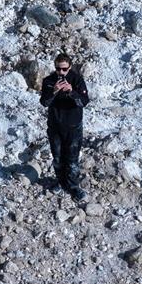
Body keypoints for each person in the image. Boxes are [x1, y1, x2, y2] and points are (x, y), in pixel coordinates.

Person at [40, 53, 90, 200]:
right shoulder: (48, 81)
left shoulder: (77, 80)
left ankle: (73, 186)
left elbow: (84, 101)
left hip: (73, 127)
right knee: (57, 158)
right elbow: (44, 102)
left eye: (64, 69)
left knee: (72, 159)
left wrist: (72, 92)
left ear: (70, 67)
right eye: (58, 69)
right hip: (55, 126)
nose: (61, 72)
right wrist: (54, 91)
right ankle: (60, 182)